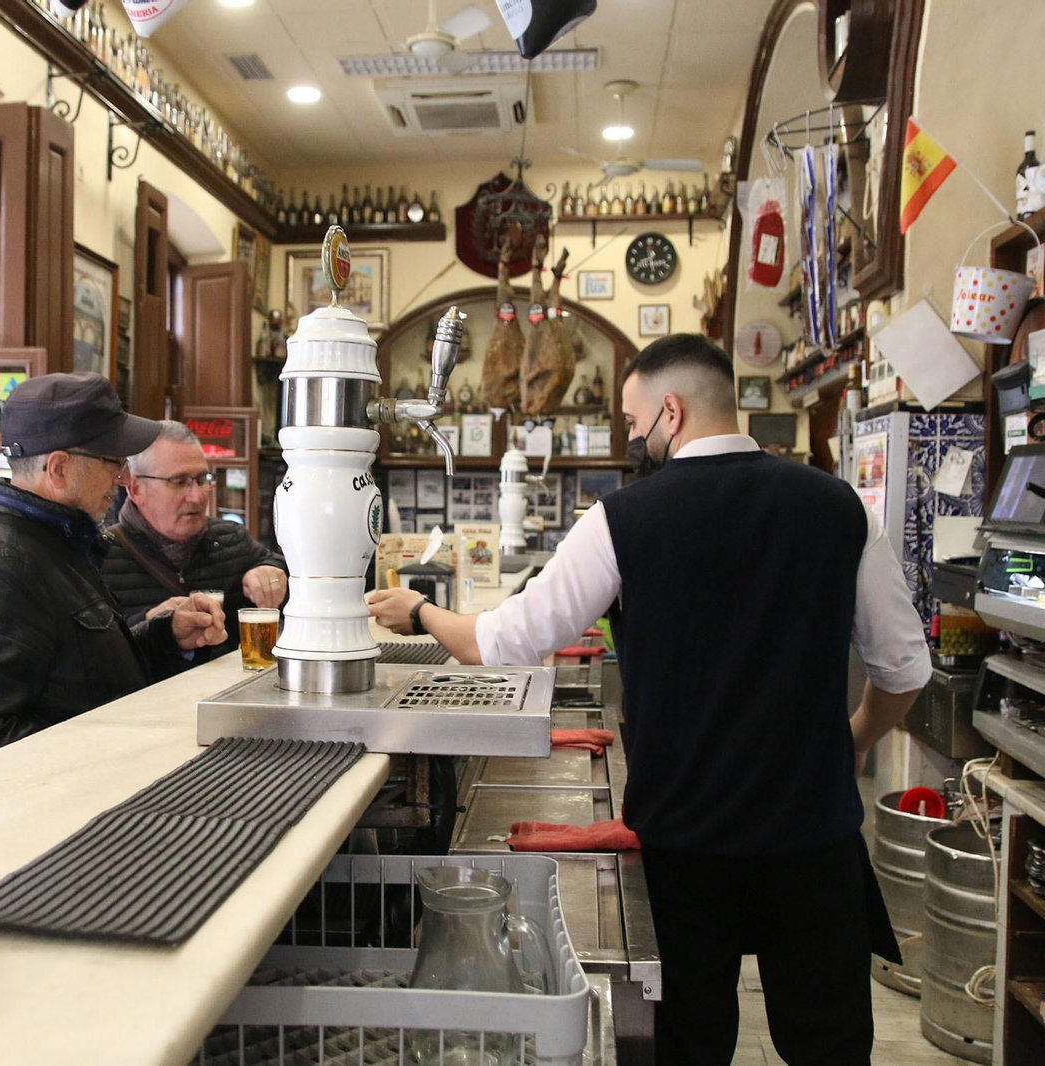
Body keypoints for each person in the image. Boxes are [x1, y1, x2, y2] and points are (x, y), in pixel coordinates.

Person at [367, 334, 931, 1066]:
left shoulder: (622, 519)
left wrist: (419, 612)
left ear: (672, 409)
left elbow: (504, 640)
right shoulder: (840, 505)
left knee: (692, 1043)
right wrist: (852, 740)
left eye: (635, 424)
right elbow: (904, 669)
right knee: (828, 1045)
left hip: (686, 839)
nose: (634, 440)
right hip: (811, 835)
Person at [0, 373, 227, 751]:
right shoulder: (4, 564)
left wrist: (165, 637)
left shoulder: (60, 541)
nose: (123, 477)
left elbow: (82, 677)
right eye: (113, 461)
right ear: (59, 469)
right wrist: (109, 749)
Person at [101, 421, 287, 664]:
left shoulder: (230, 540)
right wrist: (150, 627)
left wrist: (271, 573)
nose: (197, 496)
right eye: (179, 482)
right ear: (136, 489)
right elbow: (91, 661)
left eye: (202, 479)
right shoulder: (100, 556)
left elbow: (283, 575)